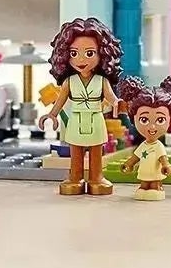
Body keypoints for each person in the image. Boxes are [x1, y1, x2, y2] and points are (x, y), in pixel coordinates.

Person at [41, 18, 122, 198]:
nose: (81, 59)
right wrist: (52, 115)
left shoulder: (101, 81)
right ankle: (75, 177)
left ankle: (96, 178)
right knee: (76, 151)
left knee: (96, 151)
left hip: (95, 118)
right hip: (76, 119)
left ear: (103, 54)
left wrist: (118, 103)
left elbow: (111, 97)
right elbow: (60, 101)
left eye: (90, 53)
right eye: (74, 53)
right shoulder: (70, 82)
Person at [116, 75, 171, 201]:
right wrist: (128, 164)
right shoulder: (143, 145)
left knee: (154, 185)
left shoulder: (158, 146)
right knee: (144, 185)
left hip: (155, 174)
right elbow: (135, 157)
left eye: (160, 120)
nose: (152, 127)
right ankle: (144, 189)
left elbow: (163, 159)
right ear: (133, 119)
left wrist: (166, 166)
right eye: (144, 120)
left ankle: (156, 188)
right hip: (144, 173)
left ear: (170, 120)